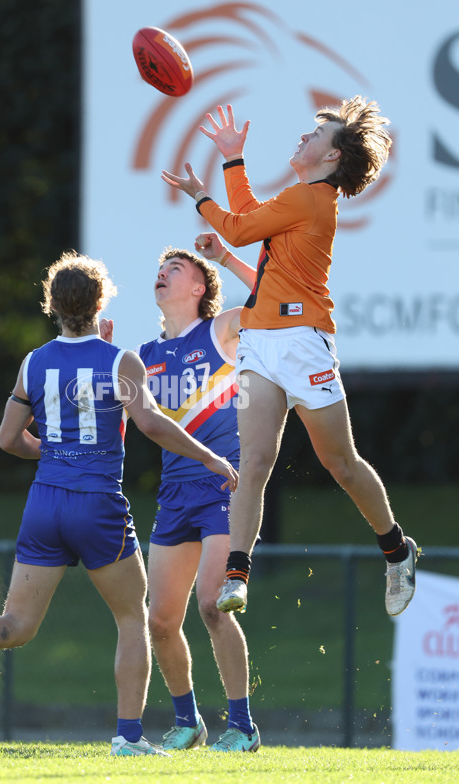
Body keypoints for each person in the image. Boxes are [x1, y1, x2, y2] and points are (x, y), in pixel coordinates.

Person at [0, 250, 238, 757]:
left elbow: (8, 438)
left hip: (44, 504)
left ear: (53, 305)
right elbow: (153, 424)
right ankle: (128, 739)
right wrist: (214, 460)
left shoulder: (34, 361)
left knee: (16, 625)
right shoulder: (120, 360)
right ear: (100, 300)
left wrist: (49, 452)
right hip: (97, 504)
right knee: (135, 618)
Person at [161, 98, 418, 618]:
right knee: (253, 462)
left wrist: (202, 195)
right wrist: (233, 164)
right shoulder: (301, 197)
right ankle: (237, 571)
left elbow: (237, 225)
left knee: (340, 464)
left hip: (304, 344)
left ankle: (396, 549)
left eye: (316, 135)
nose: (305, 138)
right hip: (259, 342)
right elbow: (251, 225)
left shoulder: (314, 199)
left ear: (332, 158)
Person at [137, 247, 259, 752]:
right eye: (160, 269)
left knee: (212, 605)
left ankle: (243, 727)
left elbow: (273, 295)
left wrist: (227, 255)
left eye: (176, 269)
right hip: (175, 494)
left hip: (223, 487)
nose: (163, 274)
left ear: (198, 288)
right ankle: (189, 722)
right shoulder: (143, 356)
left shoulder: (220, 332)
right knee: (160, 621)